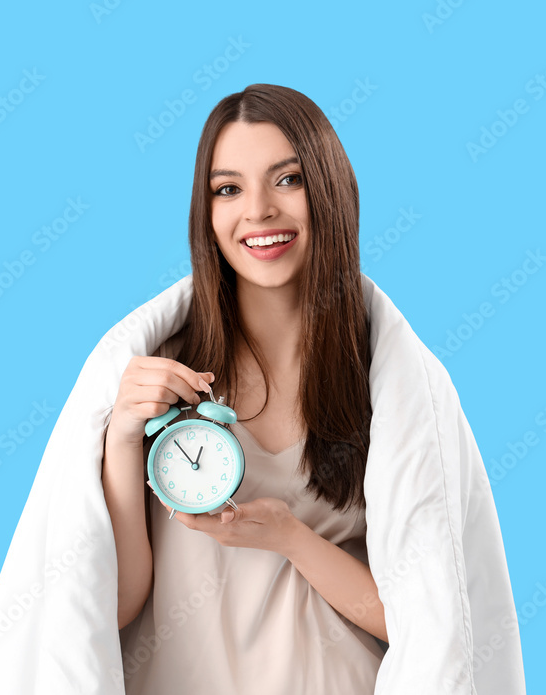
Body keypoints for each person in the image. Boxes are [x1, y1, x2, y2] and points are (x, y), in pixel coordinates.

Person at [102, 83, 387, 693]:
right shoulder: (162, 376)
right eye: (228, 188)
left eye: (287, 179)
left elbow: (422, 618)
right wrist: (122, 438)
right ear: (206, 213)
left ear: (329, 191)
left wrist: (290, 537)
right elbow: (116, 606)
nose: (257, 211)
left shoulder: (383, 379)